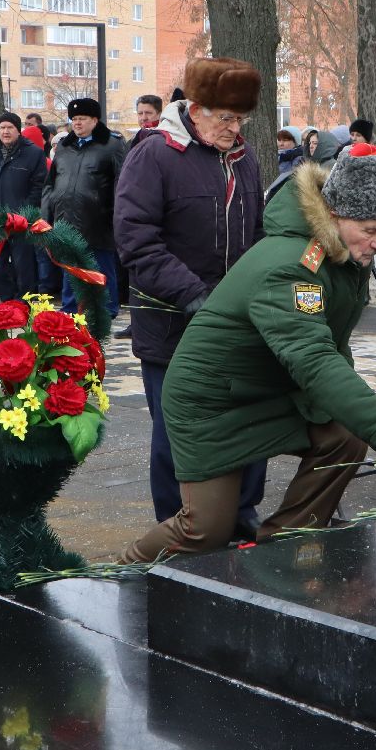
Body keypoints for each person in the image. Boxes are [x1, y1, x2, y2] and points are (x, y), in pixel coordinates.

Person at [118, 147, 376, 563]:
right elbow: (312, 357)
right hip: (213, 404)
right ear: (337, 213)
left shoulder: (341, 254)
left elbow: (331, 347)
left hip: (266, 392)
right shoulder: (292, 267)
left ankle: (282, 550)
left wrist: (366, 418)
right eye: (371, 229)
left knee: (345, 435)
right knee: (205, 530)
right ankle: (124, 573)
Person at [115, 57, 266, 537]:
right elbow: (137, 239)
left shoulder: (244, 160)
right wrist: (194, 295)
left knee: (247, 421)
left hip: (235, 322)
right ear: (195, 109)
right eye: (225, 118)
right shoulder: (154, 154)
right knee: (176, 430)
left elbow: (259, 236)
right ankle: (176, 525)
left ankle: (241, 515)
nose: (233, 129)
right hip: (173, 321)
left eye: (240, 119)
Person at [42, 97, 126, 316]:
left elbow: (122, 182)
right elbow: (51, 183)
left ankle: (107, 309)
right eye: (74, 119)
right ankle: (71, 308)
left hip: (99, 219)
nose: (77, 123)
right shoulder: (64, 147)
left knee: (101, 266)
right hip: (66, 217)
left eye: (83, 119)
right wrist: (46, 214)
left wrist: (117, 215)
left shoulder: (112, 145)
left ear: (95, 120)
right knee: (71, 267)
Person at [0, 111, 48, 300]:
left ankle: (26, 306)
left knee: (24, 267)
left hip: (22, 221)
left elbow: (39, 188)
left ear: (18, 131)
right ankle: (7, 304)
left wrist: (23, 214)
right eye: (2, 128)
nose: (5, 131)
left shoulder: (34, 153)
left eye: (9, 127)